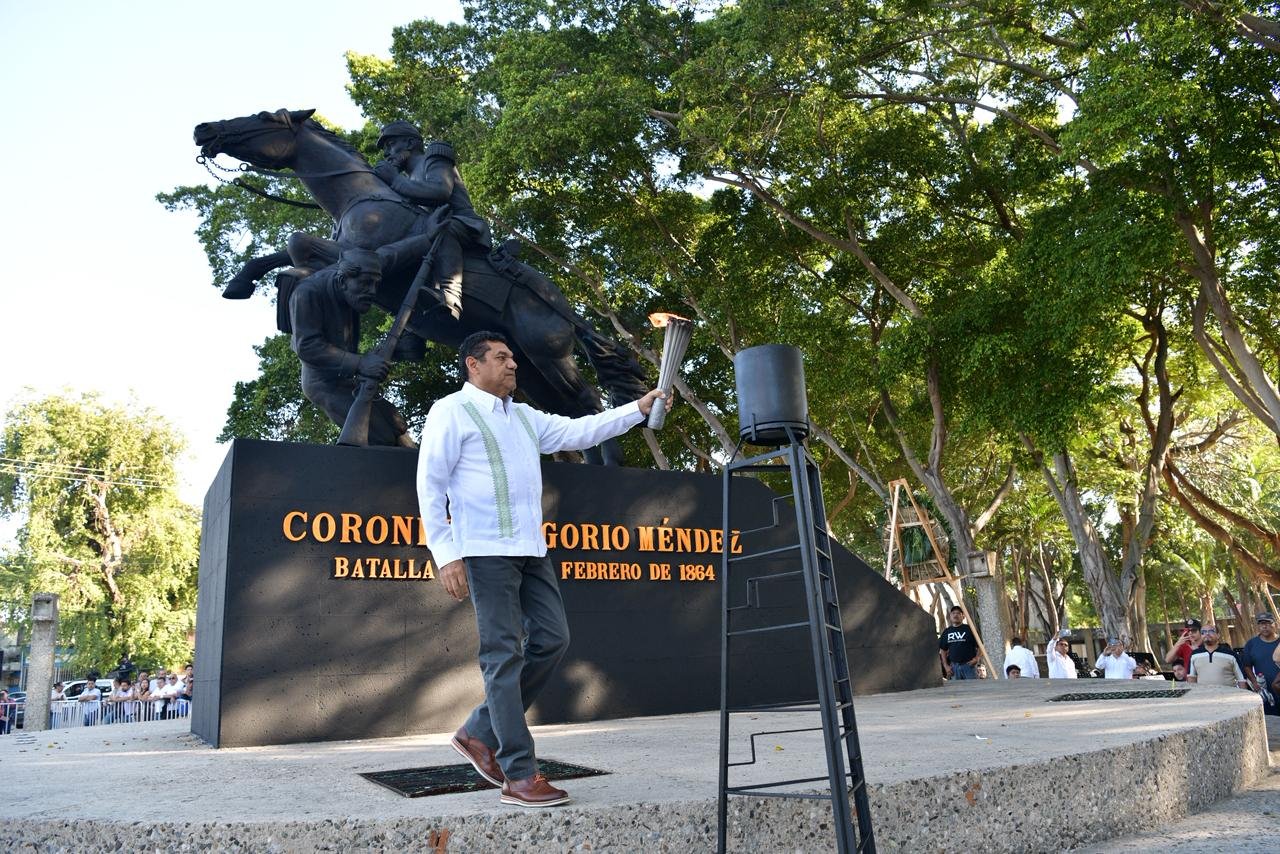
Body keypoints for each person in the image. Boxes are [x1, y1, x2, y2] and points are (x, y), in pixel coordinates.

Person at [417, 331, 666, 808]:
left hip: (532, 549)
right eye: (502, 357)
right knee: (502, 655)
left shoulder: (526, 418)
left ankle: (478, 730)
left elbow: (580, 431)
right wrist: (445, 553)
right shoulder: (451, 411)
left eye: (513, 357)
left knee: (553, 639)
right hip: (485, 550)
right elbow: (430, 483)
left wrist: (637, 408)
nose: (513, 365)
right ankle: (519, 773)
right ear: (473, 364)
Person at [374, 121, 493, 324]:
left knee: (442, 230)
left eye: (391, 145)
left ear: (410, 143)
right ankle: (411, 329)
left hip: (460, 223)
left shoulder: (435, 156)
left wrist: (394, 180)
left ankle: (450, 294)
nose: (387, 153)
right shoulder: (405, 182)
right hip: (427, 230)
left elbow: (440, 191)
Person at [1241, 613, 1279, 716]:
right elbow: (1247, 665)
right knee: (1269, 720)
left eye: (1268, 623)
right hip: (1264, 691)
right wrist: (1254, 682)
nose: (1264, 626)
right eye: (1261, 624)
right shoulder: (1251, 644)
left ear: (1275, 624)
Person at [938, 606, 980, 680]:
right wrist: (946, 665)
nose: (955, 615)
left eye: (958, 613)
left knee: (973, 689)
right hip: (954, 667)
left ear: (963, 616)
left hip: (969, 666)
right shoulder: (947, 632)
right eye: (953, 613)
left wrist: (977, 658)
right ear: (950, 616)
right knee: (957, 690)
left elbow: (980, 646)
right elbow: (943, 650)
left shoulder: (969, 629)